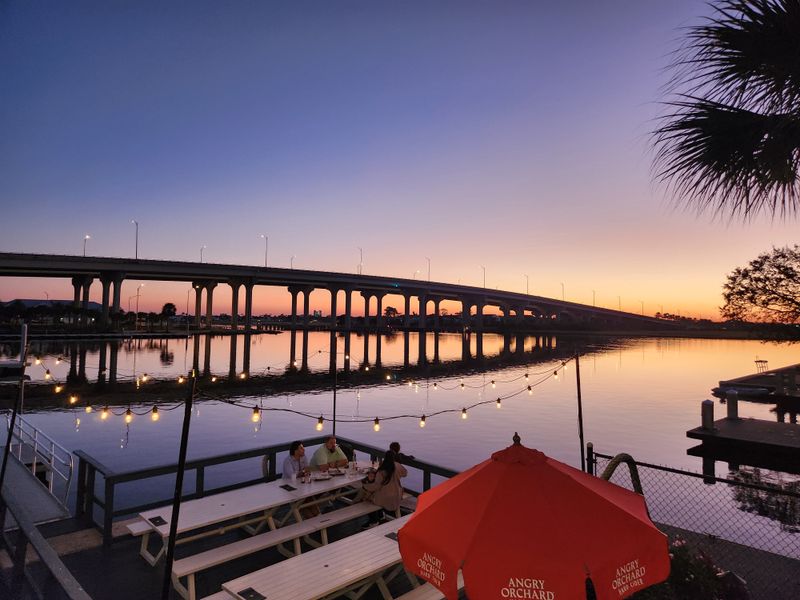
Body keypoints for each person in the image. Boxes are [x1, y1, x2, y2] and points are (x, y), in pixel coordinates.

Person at [362, 450, 407, 527]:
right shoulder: (397, 466)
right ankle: (380, 515)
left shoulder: (381, 471)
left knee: (366, 499)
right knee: (375, 494)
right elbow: (405, 473)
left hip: (385, 498)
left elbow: (376, 486)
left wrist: (365, 486)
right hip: (397, 496)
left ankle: (374, 520)